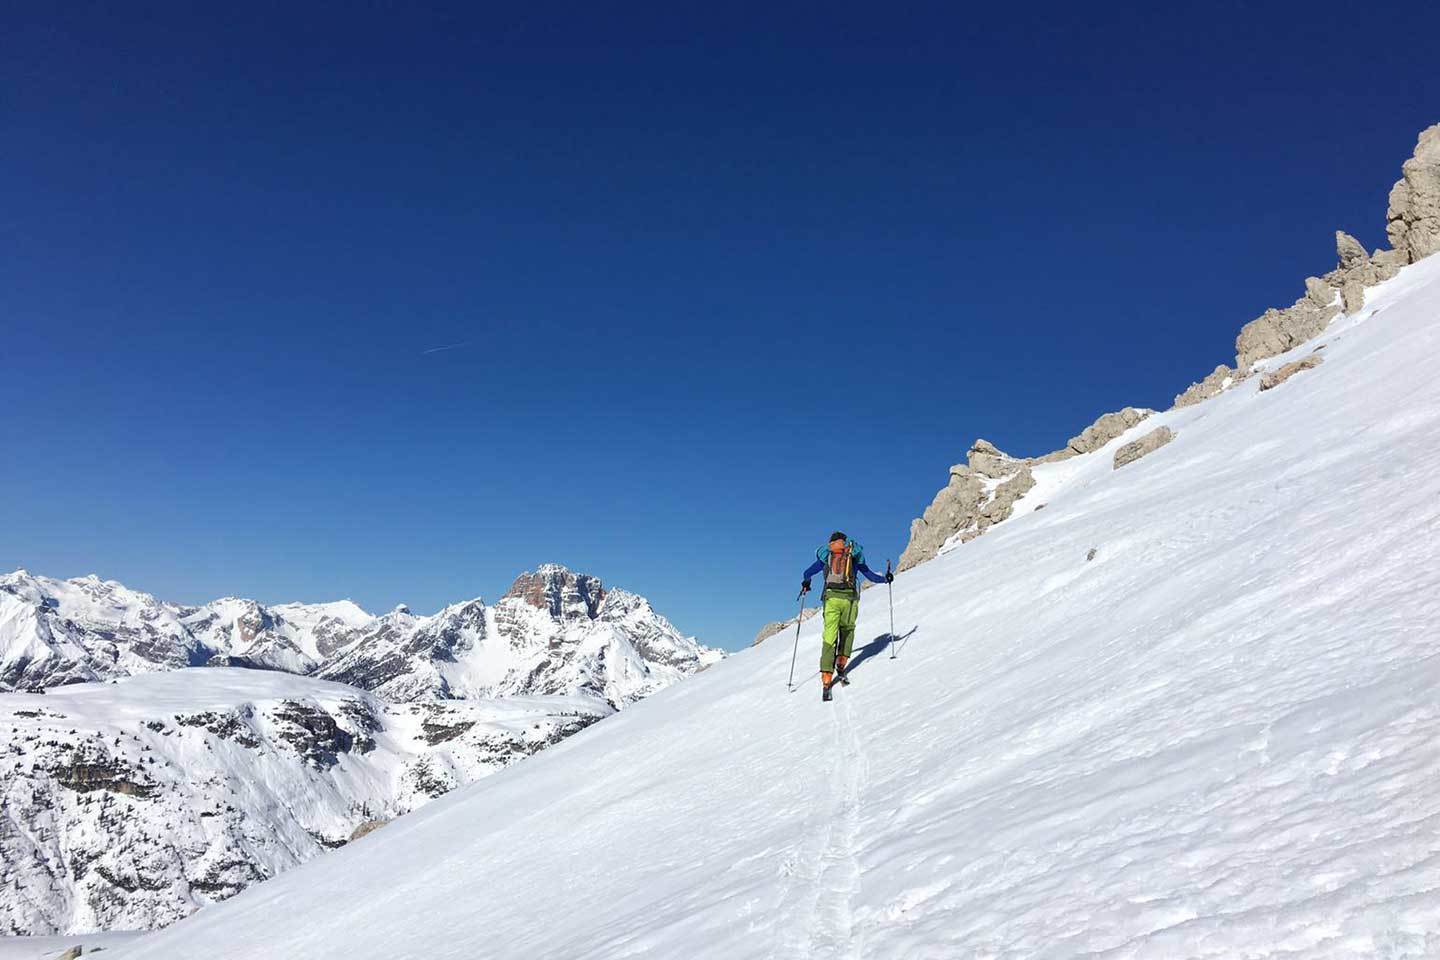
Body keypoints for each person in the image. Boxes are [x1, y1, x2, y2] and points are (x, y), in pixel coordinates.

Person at [801, 531, 892, 701]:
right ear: (846, 543)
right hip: (849, 600)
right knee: (848, 631)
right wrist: (886, 579)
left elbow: (807, 573)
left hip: (831, 600)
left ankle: (827, 678)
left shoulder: (826, 556)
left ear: (831, 543)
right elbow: (870, 576)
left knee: (829, 636)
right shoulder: (854, 556)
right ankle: (841, 664)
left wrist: (806, 583)